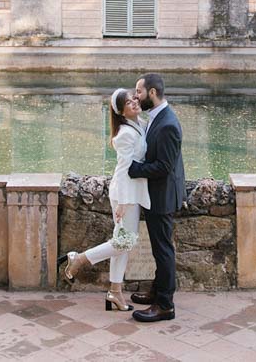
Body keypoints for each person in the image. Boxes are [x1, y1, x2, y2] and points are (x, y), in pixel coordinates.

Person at [58, 88, 149, 311]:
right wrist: (124, 202)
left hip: (131, 192)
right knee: (124, 242)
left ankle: (115, 292)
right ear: (121, 112)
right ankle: (78, 259)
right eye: (128, 103)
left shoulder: (139, 124)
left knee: (123, 243)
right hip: (124, 193)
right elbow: (125, 169)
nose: (134, 103)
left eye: (133, 99)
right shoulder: (125, 134)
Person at [128, 73, 185, 323]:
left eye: (138, 92)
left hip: (162, 197)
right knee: (158, 250)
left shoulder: (168, 124)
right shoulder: (157, 117)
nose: (135, 96)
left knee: (164, 251)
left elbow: (164, 166)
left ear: (152, 93)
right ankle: (156, 291)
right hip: (156, 195)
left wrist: (134, 169)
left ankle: (165, 305)